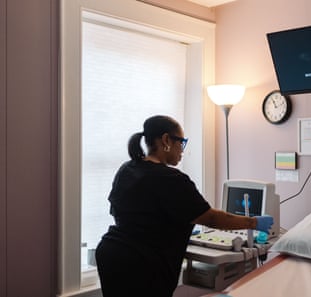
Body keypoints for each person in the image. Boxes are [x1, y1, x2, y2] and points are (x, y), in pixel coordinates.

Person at [95, 115, 274, 297]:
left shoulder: (127, 169)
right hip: (141, 264)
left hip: (111, 254)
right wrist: (253, 222)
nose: (182, 150)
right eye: (181, 142)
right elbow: (211, 218)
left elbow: (123, 213)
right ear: (166, 140)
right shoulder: (171, 179)